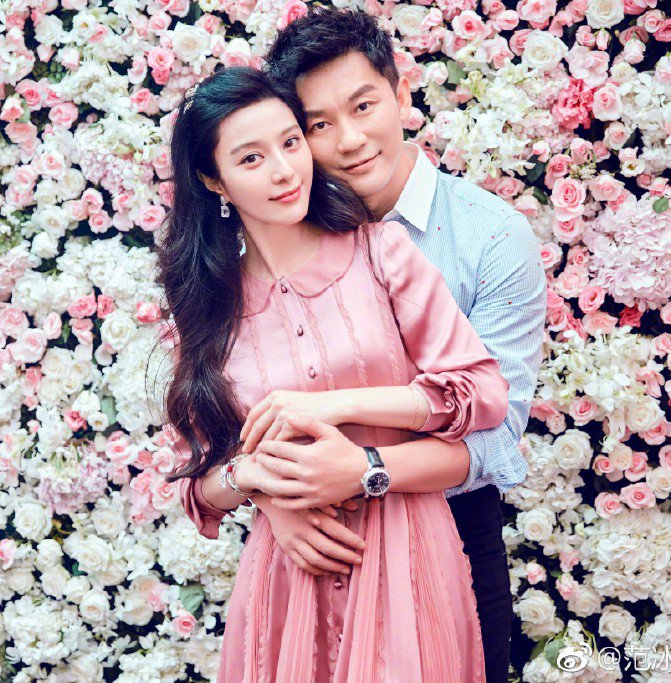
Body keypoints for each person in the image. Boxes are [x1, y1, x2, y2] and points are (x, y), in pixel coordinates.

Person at [158, 65, 508, 682]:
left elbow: (480, 394)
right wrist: (256, 482)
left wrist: (336, 407)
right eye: (251, 158)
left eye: (291, 142)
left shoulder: (381, 252)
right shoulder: (210, 309)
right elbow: (198, 487)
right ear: (214, 181)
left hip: (408, 559)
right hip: (290, 578)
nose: (283, 170)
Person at [241, 9, 548, 683]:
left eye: (363, 106)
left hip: (453, 535)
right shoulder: (274, 240)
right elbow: (239, 407)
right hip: (315, 542)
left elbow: (498, 434)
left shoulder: (490, 238)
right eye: (319, 125)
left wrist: (365, 469)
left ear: (402, 93)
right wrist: (273, 495)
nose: (350, 140)